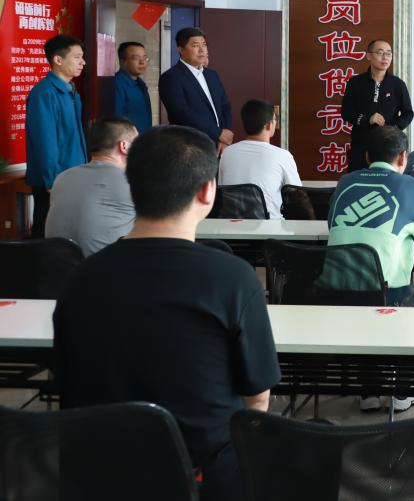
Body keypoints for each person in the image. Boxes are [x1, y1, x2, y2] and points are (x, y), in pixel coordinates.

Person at [53, 125, 279, 501]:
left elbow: (67, 383)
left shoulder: (79, 279)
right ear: (207, 191)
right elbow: (257, 399)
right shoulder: (233, 279)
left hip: (99, 480)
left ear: (132, 186)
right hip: (203, 482)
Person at [329, 125, 414, 308]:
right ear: (402, 157)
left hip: (335, 295)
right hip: (387, 298)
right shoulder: (410, 186)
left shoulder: (345, 182)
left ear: (367, 157)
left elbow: (331, 226)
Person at [45, 116, 138, 255]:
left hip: (57, 265)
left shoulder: (62, 178)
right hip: (104, 266)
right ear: (124, 146)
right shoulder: (132, 181)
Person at [25, 34, 88, 238]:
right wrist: (52, 181)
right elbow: (45, 141)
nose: (83, 62)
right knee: (46, 234)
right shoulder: (44, 93)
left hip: (72, 175)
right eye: (77, 57)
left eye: (82, 57)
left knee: (66, 234)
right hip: (55, 181)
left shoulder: (70, 90)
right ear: (58, 60)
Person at [218, 99, 301, 219]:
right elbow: (297, 194)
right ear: (268, 125)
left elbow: (222, 190)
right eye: (275, 119)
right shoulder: (283, 156)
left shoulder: (227, 153)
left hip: (231, 226)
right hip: (270, 227)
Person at [341, 39, 414, 171]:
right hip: (361, 146)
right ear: (369, 55)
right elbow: (346, 112)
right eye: (380, 53)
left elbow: (408, 113)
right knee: (359, 181)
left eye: (388, 53)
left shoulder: (397, 84)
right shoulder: (355, 82)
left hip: (389, 148)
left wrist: (392, 127)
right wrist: (367, 119)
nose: (385, 57)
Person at [158, 27, 232, 155]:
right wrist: (218, 133)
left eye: (204, 45)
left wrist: (225, 136)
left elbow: (225, 106)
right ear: (181, 50)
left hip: (220, 145)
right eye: (195, 45)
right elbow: (181, 113)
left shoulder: (212, 75)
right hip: (191, 147)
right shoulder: (171, 77)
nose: (202, 50)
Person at [112, 40, 152, 132]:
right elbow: (115, 121)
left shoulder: (140, 83)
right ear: (122, 62)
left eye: (145, 58)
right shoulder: (116, 84)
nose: (142, 62)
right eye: (136, 58)